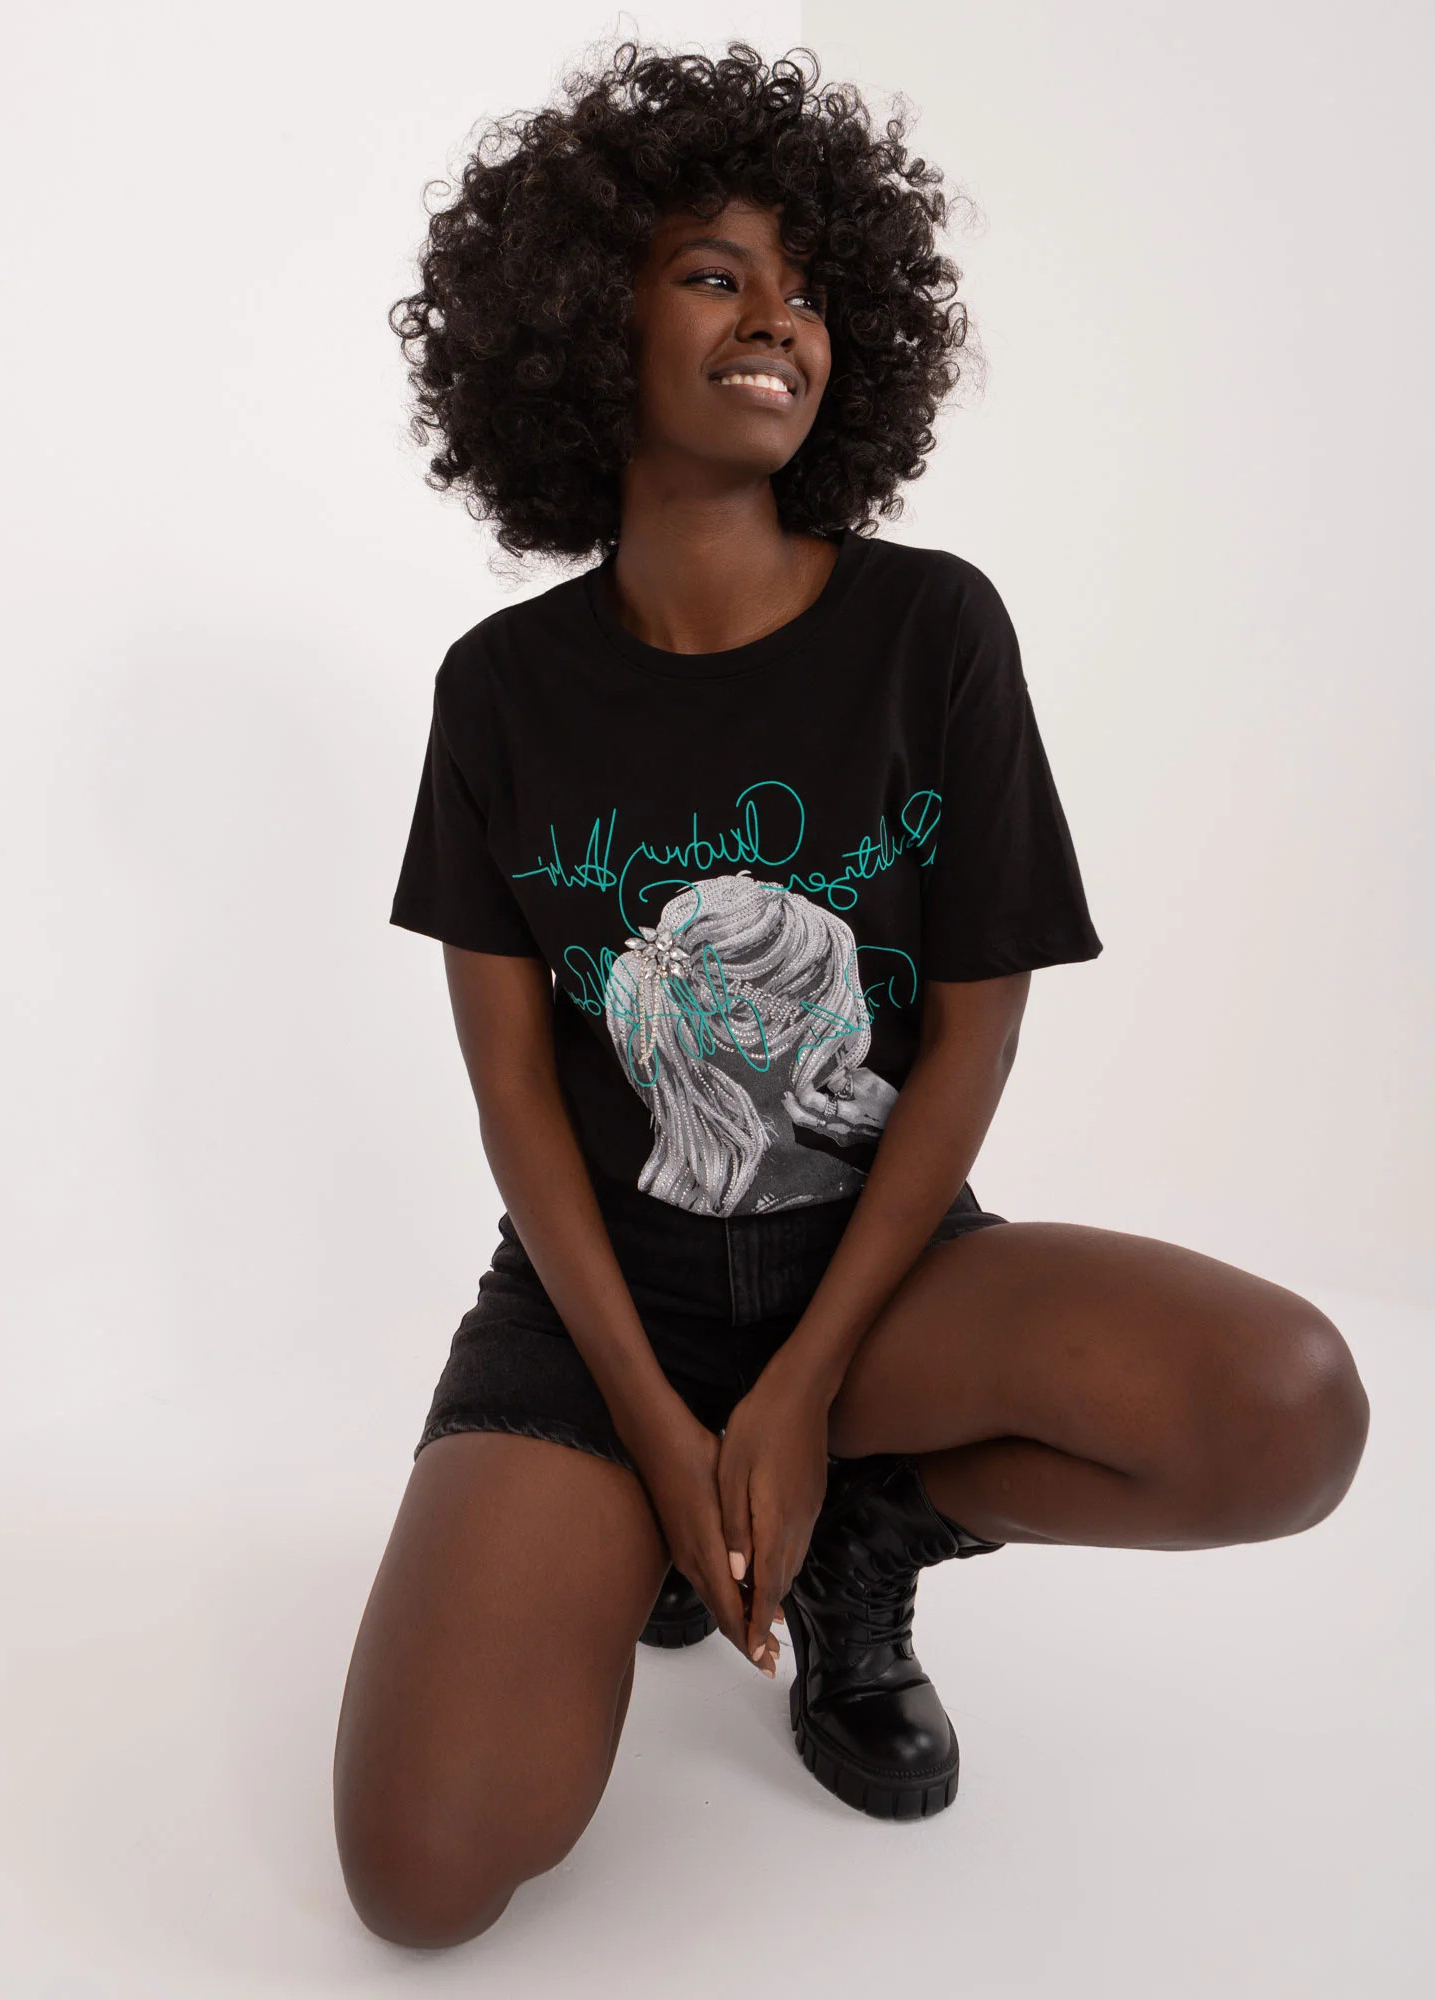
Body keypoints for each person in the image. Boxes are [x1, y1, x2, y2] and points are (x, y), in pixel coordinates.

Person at [332, 41, 1370, 1949]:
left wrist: (804, 1394)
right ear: (582, 322)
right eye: (713, 273)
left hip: (879, 1279)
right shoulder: (499, 689)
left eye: (809, 292)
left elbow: (974, 1026)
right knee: (423, 1875)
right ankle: (649, 1527)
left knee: (1285, 1408)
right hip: (601, 1304)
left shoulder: (930, 628)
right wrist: (658, 1426)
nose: (776, 320)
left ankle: (861, 1544)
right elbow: (516, 1096)